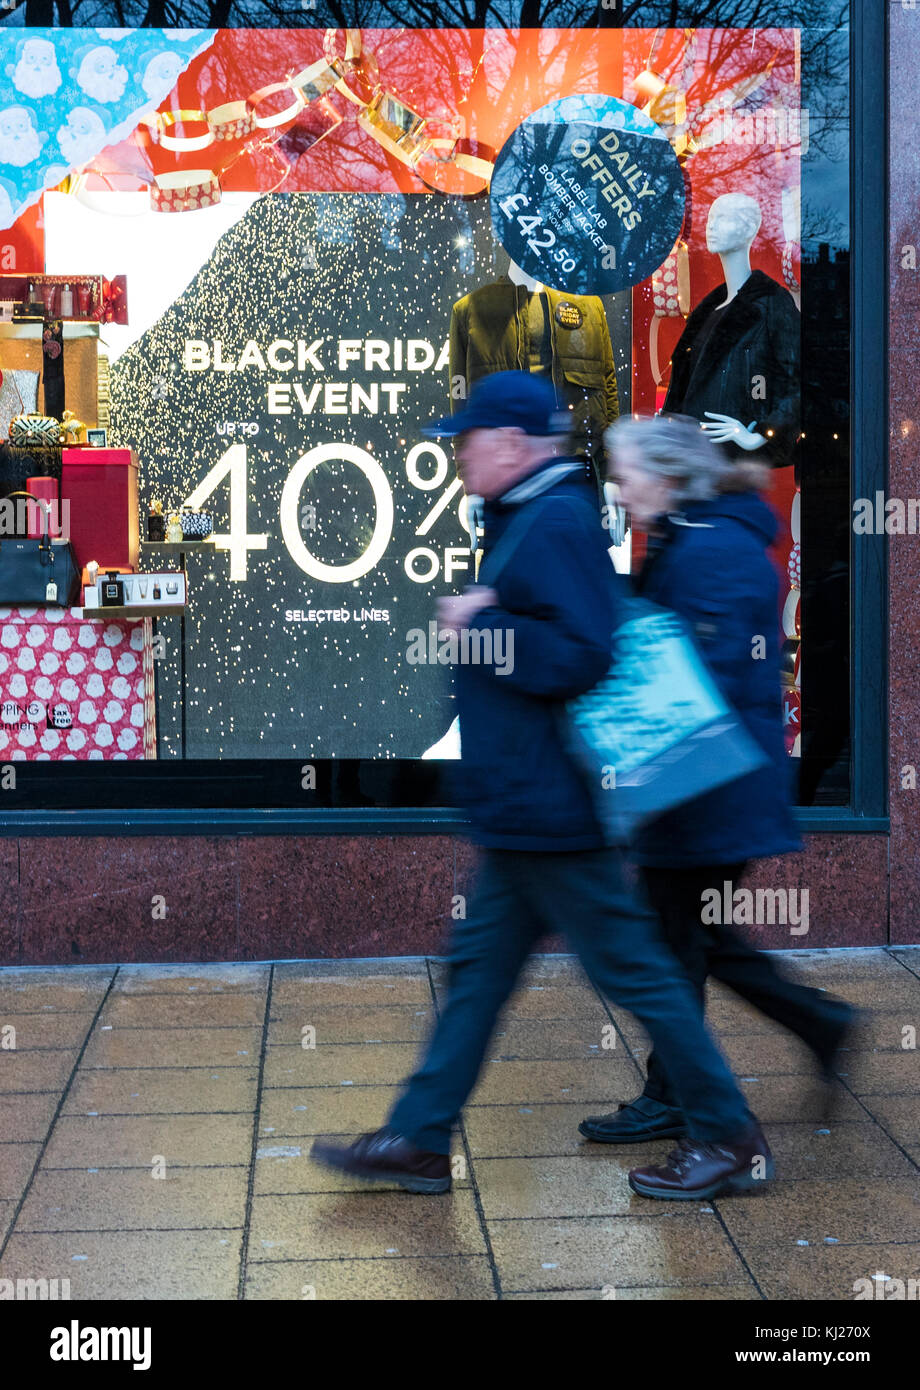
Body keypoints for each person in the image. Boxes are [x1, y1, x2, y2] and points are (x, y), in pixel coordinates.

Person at [312, 373, 772, 1202]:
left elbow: (581, 654)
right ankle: (418, 1138)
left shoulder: (554, 521)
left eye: (468, 441)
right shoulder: (533, 513)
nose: (458, 458)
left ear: (513, 444)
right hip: (521, 807)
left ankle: (729, 1133)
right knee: (480, 974)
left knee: (637, 973)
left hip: (553, 810)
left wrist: (481, 626)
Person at [580, 414, 854, 1149]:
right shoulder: (692, 536)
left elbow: (709, 678)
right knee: (695, 939)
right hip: (703, 788)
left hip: (710, 792)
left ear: (666, 476)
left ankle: (682, 1101)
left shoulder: (715, 547)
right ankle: (818, 1025)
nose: (618, 486)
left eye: (625, 471)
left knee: (674, 944)